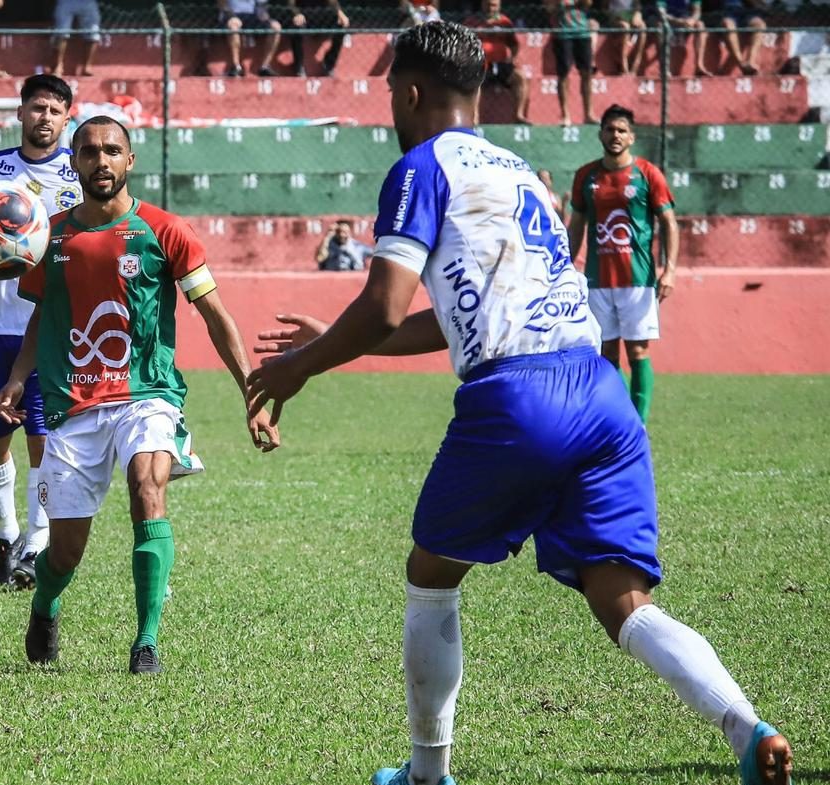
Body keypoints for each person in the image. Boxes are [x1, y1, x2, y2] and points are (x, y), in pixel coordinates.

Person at [245, 22, 792, 785]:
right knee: (621, 600)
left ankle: (428, 775)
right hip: (600, 395)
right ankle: (746, 727)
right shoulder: (521, 170)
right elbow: (448, 316)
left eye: (388, 95)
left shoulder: (419, 166)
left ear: (408, 91)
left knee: (431, 572)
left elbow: (382, 304)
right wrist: (358, 340)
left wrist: (303, 364)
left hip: (519, 398)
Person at [0, 115, 279, 675]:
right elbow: (40, 319)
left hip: (148, 393)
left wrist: (253, 393)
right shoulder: (48, 236)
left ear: (130, 160)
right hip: (72, 404)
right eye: (90, 152)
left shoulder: (165, 231)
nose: (101, 161)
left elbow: (216, 316)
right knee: (66, 550)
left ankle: (146, 640)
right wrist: (17, 375)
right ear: (73, 163)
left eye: (112, 151)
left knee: (147, 486)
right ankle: (46, 603)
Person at [0, 73, 82, 589]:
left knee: (43, 442)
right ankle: (7, 534)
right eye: (37, 107)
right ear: (20, 113)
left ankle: (35, 544)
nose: (45, 117)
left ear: (66, 117)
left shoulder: (78, 176)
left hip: (52, 329)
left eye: (55, 110)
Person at [566, 104, 677, 423]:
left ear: (631, 137)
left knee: (638, 352)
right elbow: (577, 224)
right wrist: (565, 266)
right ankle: (614, 421)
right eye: (610, 129)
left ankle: (638, 424)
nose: (615, 135)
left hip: (638, 280)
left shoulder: (647, 174)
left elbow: (669, 222)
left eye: (621, 130)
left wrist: (669, 270)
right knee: (606, 355)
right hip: (598, 281)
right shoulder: (586, 176)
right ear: (600, 133)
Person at [464, 0, 529, 124]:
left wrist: (513, 59)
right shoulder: (472, 22)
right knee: (475, 81)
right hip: (480, 63)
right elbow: (464, 42)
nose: (490, 8)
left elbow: (513, 44)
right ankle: (475, 117)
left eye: (493, 5)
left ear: (499, 6)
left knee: (519, 78)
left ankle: (518, 115)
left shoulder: (504, 22)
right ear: (482, 4)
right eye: (488, 5)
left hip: (500, 63)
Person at [546, 0, 597, 126]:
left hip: (582, 32)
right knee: (563, 75)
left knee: (587, 73)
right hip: (563, 34)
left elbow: (588, 3)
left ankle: (588, 114)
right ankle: (565, 115)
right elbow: (549, 7)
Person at [283, 0, 350, 77]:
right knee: (296, 26)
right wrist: (297, 14)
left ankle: (329, 64)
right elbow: (290, 4)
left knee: (342, 24)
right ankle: (298, 66)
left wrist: (340, 13)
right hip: (303, 15)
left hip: (321, 16)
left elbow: (332, 2)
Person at [220, 0, 282, 77]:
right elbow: (222, 4)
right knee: (234, 26)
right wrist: (231, 16)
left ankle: (265, 66)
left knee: (276, 27)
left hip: (253, 16)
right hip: (231, 15)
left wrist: (264, 17)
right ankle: (236, 66)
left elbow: (262, 6)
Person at [654, 0, 710, 76]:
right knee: (660, 26)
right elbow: (661, 14)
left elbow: (697, 11)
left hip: (687, 22)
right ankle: (664, 68)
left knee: (700, 25)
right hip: (670, 22)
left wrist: (692, 20)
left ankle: (699, 66)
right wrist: (678, 21)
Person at [49, 0, 101, 76]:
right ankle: (57, 66)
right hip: (66, 2)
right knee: (61, 33)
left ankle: (87, 66)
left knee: (93, 34)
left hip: (88, 2)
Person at [715, 0, 767, 75]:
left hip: (749, 13)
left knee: (760, 24)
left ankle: (750, 61)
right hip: (729, 14)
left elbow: (762, 4)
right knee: (728, 24)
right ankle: (741, 63)